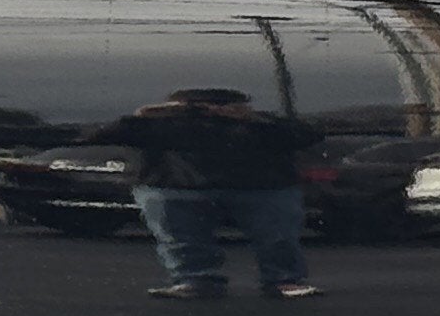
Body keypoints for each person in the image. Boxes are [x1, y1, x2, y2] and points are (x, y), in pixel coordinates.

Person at [117, 85, 321, 298]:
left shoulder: (258, 124)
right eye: (198, 108)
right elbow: (107, 134)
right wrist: (143, 116)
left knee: (277, 235)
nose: (210, 112)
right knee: (179, 233)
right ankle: (194, 279)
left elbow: (307, 136)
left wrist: (254, 119)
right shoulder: (160, 123)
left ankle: (284, 279)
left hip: (259, 187)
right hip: (178, 186)